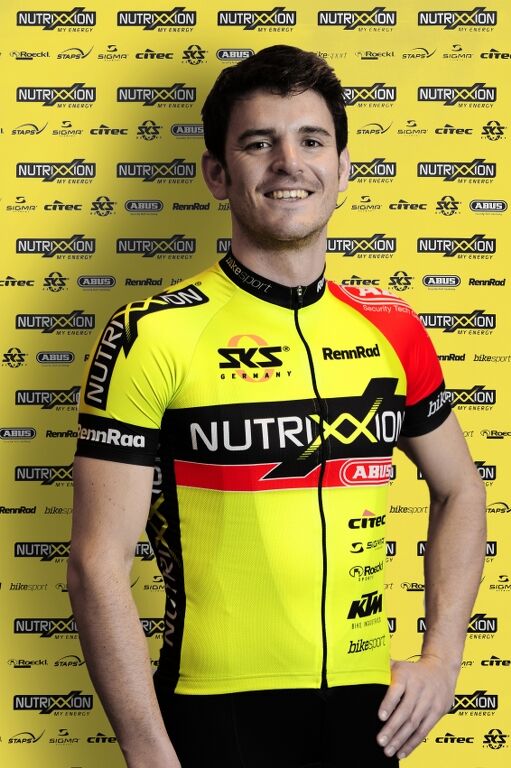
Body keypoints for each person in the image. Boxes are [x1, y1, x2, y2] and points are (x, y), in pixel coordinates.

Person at [69, 45, 486, 767]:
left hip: (368, 713)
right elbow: (95, 564)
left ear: (343, 168)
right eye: (259, 143)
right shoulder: (152, 333)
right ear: (217, 173)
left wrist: (442, 659)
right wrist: (148, 752)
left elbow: (461, 490)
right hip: (211, 714)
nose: (289, 163)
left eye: (311, 141)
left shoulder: (391, 325)